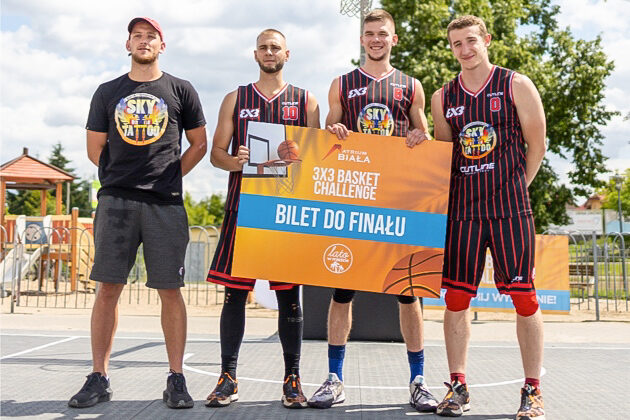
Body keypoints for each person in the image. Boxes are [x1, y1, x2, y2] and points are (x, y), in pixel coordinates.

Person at [68, 17, 207, 409]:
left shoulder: (180, 89)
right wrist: (122, 175)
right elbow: (95, 149)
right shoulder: (108, 91)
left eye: (152, 37)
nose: (144, 41)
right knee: (108, 288)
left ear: (163, 46)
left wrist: (168, 174)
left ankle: (176, 378)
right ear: (127, 44)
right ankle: (99, 376)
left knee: (169, 290)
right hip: (116, 202)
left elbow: (199, 143)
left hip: (165, 204)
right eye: (138, 36)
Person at [307, 9, 438, 412]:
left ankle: (418, 380)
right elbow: (328, 137)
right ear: (361, 40)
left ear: (394, 39)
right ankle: (334, 378)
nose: (376, 39)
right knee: (342, 291)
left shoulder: (410, 85)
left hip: (397, 202)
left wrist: (420, 135)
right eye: (369, 34)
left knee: (408, 291)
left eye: (383, 34)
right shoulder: (342, 84)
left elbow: (425, 136)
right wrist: (334, 132)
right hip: (355, 201)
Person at [431, 15, 546, 419]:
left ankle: (532, 390)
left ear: (486, 40)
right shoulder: (442, 97)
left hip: (510, 210)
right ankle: (458, 386)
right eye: (456, 44)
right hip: (463, 212)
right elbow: (443, 158)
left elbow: (537, 144)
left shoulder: (516, 84)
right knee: (457, 298)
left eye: (470, 41)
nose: (464, 50)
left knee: (524, 298)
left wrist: (516, 187)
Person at [205, 28, 320, 409]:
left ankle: (292, 379)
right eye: (263, 47)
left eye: (275, 47)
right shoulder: (236, 98)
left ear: (288, 52)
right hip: (245, 209)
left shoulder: (305, 102)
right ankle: (228, 377)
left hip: (284, 213)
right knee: (234, 295)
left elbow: (316, 160)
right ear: (255, 53)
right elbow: (215, 154)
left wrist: (299, 159)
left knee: (290, 298)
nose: (269, 52)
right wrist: (235, 161)